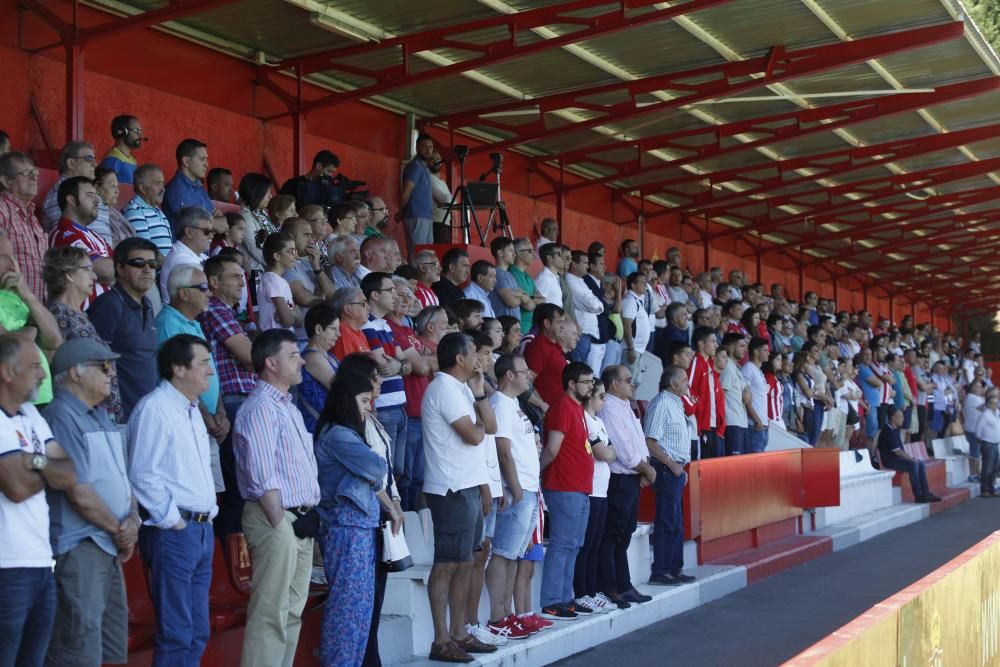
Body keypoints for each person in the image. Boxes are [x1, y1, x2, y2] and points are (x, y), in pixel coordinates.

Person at [42, 338, 137, 666]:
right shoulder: (60, 416)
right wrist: (119, 529)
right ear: (75, 373)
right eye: (104, 366)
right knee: (76, 649)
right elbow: (78, 491)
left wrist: (132, 522)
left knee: (109, 649)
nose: (112, 373)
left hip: (108, 544)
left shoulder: (102, 415)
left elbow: (123, 481)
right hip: (81, 546)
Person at [128, 334, 218, 666]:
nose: (210, 371)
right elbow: (142, 475)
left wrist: (207, 514)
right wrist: (173, 521)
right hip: (174, 533)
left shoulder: (192, 409)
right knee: (177, 633)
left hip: (200, 529)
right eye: (204, 363)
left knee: (197, 631)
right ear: (178, 369)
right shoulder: (155, 408)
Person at [232, 329, 320, 667]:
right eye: (293, 356)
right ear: (271, 363)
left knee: (293, 609)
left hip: (298, 518)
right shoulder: (260, 408)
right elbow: (260, 472)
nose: (301, 361)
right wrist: (280, 521)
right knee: (270, 611)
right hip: (275, 516)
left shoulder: (288, 407)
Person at [0, 334, 80, 667]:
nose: (43, 375)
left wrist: (33, 462)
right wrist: (46, 465)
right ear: (6, 371)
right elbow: (16, 487)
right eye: (35, 366)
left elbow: (70, 472)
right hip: (6, 568)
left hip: (39, 562)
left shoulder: (31, 414)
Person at [421, 332, 498, 662]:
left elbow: (489, 427)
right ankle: (441, 640)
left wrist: (480, 394)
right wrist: (478, 428)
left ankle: (459, 632)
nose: (480, 359)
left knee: (466, 561)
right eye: (473, 353)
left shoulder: (463, 388)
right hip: (450, 487)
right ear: (459, 359)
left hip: (468, 485)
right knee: (447, 563)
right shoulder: (443, 388)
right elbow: (474, 436)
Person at [312, 370, 388, 666]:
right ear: (346, 400)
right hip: (346, 527)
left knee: (359, 612)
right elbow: (376, 467)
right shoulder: (339, 434)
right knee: (346, 611)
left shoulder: (346, 432)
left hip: (358, 526)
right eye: (363, 400)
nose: (369, 406)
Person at [199, 254, 257, 538]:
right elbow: (250, 357)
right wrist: (255, 353)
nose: (241, 282)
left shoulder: (227, 311)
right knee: (239, 486)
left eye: (241, 275)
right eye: (234, 276)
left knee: (242, 485)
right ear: (213, 281)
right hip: (233, 399)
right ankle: (232, 562)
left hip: (236, 400)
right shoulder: (216, 310)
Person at [484, 353, 541, 640]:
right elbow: (503, 450)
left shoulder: (514, 404)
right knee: (503, 554)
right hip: (517, 491)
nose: (528, 374)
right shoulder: (500, 405)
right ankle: (497, 616)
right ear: (509, 375)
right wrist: (515, 487)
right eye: (523, 371)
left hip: (529, 488)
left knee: (512, 556)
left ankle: (506, 615)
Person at [157, 264, 228, 489]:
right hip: (192, 420)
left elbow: (209, 371)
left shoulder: (194, 324)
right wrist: (208, 418)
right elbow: (179, 380)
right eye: (203, 288)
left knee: (212, 492)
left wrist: (221, 412)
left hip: (208, 420)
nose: (209, 293)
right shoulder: (168, 322)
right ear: (184, 293)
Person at [539, 362, 595, 621]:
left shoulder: (577, 408)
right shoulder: (563, 406)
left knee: (574, 545)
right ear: (572, 383)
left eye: (592, 382)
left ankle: (565, 597)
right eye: (586, 382)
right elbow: (551, 449)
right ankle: (552, 600)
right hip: (563, 486)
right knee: (563, 544)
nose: (591, 386)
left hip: (579, 487)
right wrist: (537, 473)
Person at [44, 245, 125, 422]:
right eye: (87, 270)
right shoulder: (58, 314)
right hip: (80, 416)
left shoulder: (82, 314)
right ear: (69, 274)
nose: (94, 276)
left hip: (100, 414)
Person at [597, 364, 656, 607]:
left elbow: (638, 442)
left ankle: (624, 585)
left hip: (632, 478)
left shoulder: (624, 406)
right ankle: (610, 588)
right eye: (628, 380)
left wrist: (644, 468)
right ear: (614, 384)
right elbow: (622, 449)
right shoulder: (609, 408)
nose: (633, 384)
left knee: (624, 535)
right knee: (612, 536)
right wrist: (646, 469)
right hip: (619, 479)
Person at [88, 237, 159, 420]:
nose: (147, 270)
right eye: (138, 263)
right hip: (119, 418)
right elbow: (96, 361)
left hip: (148, 414)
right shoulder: (109, 305)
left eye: (152, 264)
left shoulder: (148, 305)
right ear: (119, 268)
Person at [644, 365, 697, 586]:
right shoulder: (662, 404)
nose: (688, 383)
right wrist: (672, 465)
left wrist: (680, 467)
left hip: (675, 469)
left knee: (676, 522)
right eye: (684, 380)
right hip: (666, 469)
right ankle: (660, 571)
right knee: (667, 521)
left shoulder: (676, 404)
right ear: (673, 384)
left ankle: (675, 569)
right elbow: (650, 441)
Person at [360, 272, 411, 479]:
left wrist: (399, 364)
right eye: (390, 291)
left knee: (399, 472)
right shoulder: (367, 325)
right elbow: (383, 365)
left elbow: (404, 364)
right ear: (374, 295)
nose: (395, 296)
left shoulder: (385, 325)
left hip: (400, 406)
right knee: (386, 473)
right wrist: (401, 364)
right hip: (383, 408)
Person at [575, 379, 616, 613]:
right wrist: (608, 453)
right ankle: (581, 592)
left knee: (595, 544)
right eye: (601, 396)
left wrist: (608, 453)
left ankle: (591, 590)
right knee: (586, 544)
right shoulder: (585, 420)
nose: (604, 400)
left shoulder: (599, 421)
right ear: (590, 397)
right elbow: (603, 453)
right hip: (589, 490)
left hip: (602, 490)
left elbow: (613, 451)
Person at [49, 175, 115, 306]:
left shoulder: (96, 236)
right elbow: (105, 271)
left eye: (96, 195)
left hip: (107, 312)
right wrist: (116, 269)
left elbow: (118, 270)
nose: (97, 200)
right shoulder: (64, 233)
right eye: (90, 195)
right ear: (71, 200)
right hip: (84, 316)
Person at [0, 151, 48, 300]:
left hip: (38, 308)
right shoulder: (2, 209)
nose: (35, 177)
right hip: (13, 312)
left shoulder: (32, 214)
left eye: (35, 172)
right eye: (26, 173)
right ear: (7, 181)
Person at [43, 141, 112, 243]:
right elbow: (70, 240)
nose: (95, 164)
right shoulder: (61, 192)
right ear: (71, 163)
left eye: (94, 159)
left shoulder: (90, 191)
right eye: (89, 159)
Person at [877, 407, 940, 503]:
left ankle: (926, 493)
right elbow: (897, 451)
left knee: (920, 464)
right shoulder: (888, 430)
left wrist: (912, 459)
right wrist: (911, 459)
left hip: (896, 459)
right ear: (893, 418)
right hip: (890, 461)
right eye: (901, 416)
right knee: (913, 464)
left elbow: (899, 451)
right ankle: (918, 495)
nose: (903, 418)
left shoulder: (894, 430)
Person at [298, 303, 341, 433]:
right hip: (318, 431)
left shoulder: (328, 356)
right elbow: (343, 388)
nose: (338, 334)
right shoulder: (313, 358)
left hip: (328, 428)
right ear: (318, 329)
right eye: (334, 329)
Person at [163, 138, 223, 230]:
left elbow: (223, 224)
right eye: (202, 159)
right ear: (186, 161)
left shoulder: (199, 187)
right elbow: (196, 227)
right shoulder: (177, 189)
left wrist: (212, 221)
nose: (207, 164)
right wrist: (213, 221)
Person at [160, 206, 213, 304]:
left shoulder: (199, 255)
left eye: (212, 231)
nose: (211, 235)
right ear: (189, 232)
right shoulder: (181, 259)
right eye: (207, 232)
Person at [123, 163, 173, 259]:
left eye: (163, 183)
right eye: (158, 183)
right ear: (142, 188)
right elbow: (145, 251)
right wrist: (169, 266)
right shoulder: (135, 211)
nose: (163, 189)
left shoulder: (158, 210)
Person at [523, 303, 567, 408]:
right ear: (547, 323)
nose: (563, 327)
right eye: (559, 322)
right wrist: (542, 407)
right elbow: (526, 383)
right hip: (545, 414)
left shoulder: (555, 345)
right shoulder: (538, 346)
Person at [689, 326, 723, 459]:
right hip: (701, 426)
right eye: (713, 341)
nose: (716, 345)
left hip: (712, 425)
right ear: (701, 344)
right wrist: (699, 412)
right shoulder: (696, 362)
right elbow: (688, 389)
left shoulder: (708, 364)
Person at [258, 231, 302, 333]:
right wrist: (293, 313)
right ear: (277, 256)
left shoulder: (282, 281)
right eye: (291, 252)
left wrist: (291, 314)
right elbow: (287, 321)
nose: (295, 256)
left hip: (286, 340)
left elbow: (300, 322)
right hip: (275, 342)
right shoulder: (271, 280)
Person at [398, 133, 434, 257]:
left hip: (427, 217)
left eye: (430, 147)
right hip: (416, 215)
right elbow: (405, 193)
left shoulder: (426, 168)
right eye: (424, 146)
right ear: (417, 148)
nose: (428, 150)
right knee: (417, 255)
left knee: (427, 255)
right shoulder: (415, 166)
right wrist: (401, 212)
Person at [235, 173, 276, 274]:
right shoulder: (245, 216)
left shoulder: (258, 214)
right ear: (257, 192)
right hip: (255, 274)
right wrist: (278, 265)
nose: (270, 196)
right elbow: (256, 250)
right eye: (267, 192)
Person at [719, 333, 750, 456]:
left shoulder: (736, 368)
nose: (745, 350)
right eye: (741, 346)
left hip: (741, 422)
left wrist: (747, 392)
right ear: (731, 348)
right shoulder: (727, 368)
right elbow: (721, 394)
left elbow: (747, 398)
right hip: (731, 423)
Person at [94, 167, 136, 246]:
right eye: (112, 186)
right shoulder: (95, 214)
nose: (117, 191)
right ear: (96, 188)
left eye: (117, 186)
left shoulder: (115, 213)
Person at [742, 336, 771, 453]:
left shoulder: (759, 371)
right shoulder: (748, 368)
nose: (768, 353)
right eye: (765, 350)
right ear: (755, 351)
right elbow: (745, 397)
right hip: (753, 426)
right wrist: (757, 420)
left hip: (762, 426)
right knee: (753, 468)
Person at [621, 271, 651, 380]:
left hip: (638, 349)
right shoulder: (629, 301)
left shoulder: (637, 301)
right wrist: (631, 348)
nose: (645, 285)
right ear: (633, 285)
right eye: (642, 283)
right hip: (631, 349)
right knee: (628, 381)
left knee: (635, 382)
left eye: (645, 282)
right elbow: (626, 325)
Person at [100, 114, 143, 184]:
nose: (141, 135)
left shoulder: (131, 159)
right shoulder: (113, 160)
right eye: (136, 130)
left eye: (141, 131)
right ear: (122, 131)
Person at [975, 393, 1000, 497]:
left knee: (994, 468)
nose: (996, 405)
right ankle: (984, 489)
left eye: (996, 403)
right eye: (993, 403)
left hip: (995, 444)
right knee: (987, 467)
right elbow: (978, 430)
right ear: (988, 404)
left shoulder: (997, 413)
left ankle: (991, 488)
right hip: (988, 443)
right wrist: (983, 440)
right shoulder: (985, 414)